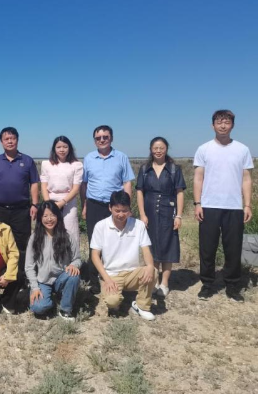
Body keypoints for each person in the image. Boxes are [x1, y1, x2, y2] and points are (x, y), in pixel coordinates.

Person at [193, 110, 253, 302]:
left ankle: (232, 285)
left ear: (232, 125)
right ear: (213, 125)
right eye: (219, 122)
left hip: (234, 206)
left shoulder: (242, 149)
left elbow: (246, 179)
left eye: (226, 122)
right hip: (209, 205)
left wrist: (247, 205)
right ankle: (207, 284)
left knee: (233, 247)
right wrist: (197, 203)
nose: (223, 125)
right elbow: (198, 178)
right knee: (207, 247)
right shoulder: (204, 149)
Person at [80, 125, 135, 292]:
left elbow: (127, 182)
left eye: (105, 137)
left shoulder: (121, 157)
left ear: (111, 138)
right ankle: (93, 280)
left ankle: (116, 278)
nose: (102, 140)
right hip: (94, 205)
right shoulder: (88, 158)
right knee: (94, 242)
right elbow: (84, 184)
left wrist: (126, 207)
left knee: (115, 241)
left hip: (115, 207)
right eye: (98, 138)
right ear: (94, 140)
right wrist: (84, 205)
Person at [90, 191, 156, 321]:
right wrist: (107, 279)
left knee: (152, 271)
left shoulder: (138, 225)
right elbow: (95, 255)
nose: (121, 214)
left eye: (125, 211)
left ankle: (142, 306)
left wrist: (150, 266)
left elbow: (146, 249)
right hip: (111, 274)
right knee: (113, 302)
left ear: (129, 210)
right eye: (117, 210)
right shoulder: (101, 226)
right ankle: (113, 298)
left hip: (132, 273)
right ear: (110, 208)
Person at [0, 127, 39, 275]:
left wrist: (35, 204)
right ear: (1, 142)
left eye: (12, 138)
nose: (10, 141)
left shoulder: (27, 160)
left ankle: (21, 274)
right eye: (6, 139)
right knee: (0, 241)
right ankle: (2, 272)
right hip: (0, 209)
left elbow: (34, 183)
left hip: (21, 210)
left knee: (22, 243)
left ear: (17, 140)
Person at [136, 137, 186, 298]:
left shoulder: (174, 169)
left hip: (168, 211)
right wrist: (142, 214)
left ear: (166, 149)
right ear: (151, 149)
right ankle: (154, 281)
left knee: (168, 245)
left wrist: (179, 215)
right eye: (155, 148)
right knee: (151, 246)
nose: (158, 151)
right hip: (149, 211)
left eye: (161, 148)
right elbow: (139, 192)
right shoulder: (145, 169)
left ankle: (164, 283)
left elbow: (179, 193)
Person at [26, 202, 81, 320]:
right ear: (40, 218)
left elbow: (77, 259)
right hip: (43, 280)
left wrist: (74, 265)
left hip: (61, 278)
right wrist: (35, 288)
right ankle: (49, 300)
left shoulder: (68, 236)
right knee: (38, 308)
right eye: (45, 216)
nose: (49, 219)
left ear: (58, 216)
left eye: (52, 215)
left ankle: (66, 309)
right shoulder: (34, 238)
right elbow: (29, 266)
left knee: (73, 276)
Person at [40, 136, 83, 245]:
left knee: (70, 231)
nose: (62, 150)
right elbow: (44, 185)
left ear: (70, 148)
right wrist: (48, 204)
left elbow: (76, 188)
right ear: (54, 149)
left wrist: (62, 203)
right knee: (51, 230)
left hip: (69, 202)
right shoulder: (46, 164)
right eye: (58, 147)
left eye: (65, 147)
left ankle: (72, 254)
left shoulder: (76, 165)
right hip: (50, 200)